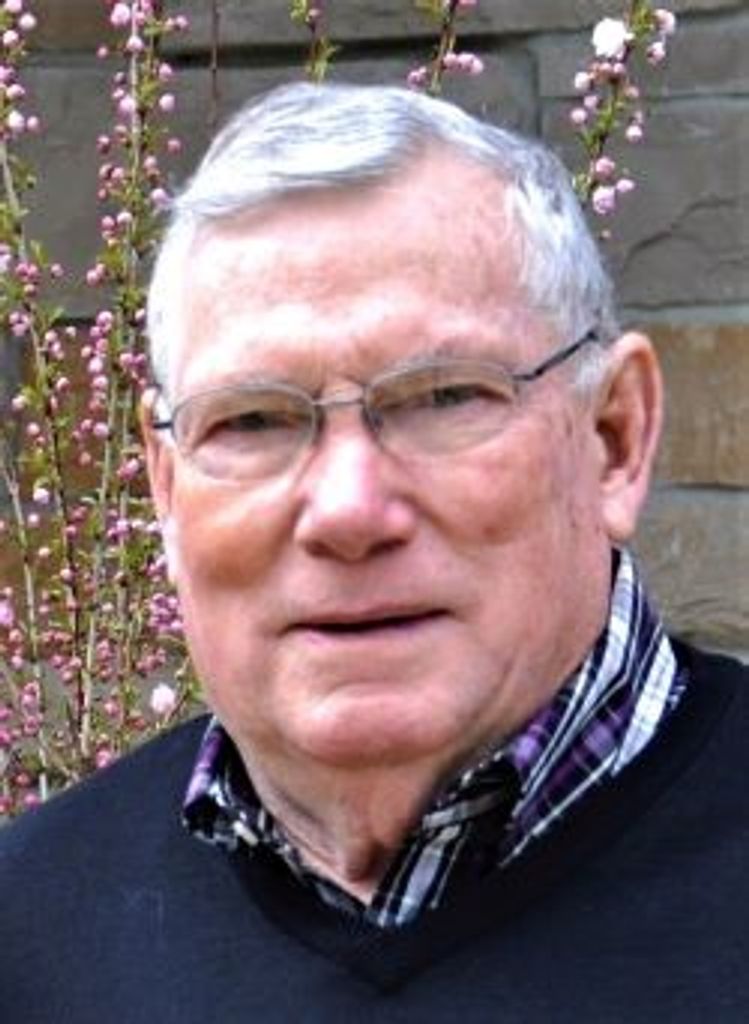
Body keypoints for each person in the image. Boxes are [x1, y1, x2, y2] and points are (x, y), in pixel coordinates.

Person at [1, 82, 747, 1023]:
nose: (348, 510)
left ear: (613, 438)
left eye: (443, 397)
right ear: (166, 490)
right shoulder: (28, 941)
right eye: (252, 419)